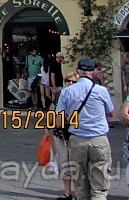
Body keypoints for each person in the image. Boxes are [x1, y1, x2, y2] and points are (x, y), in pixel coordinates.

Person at [56, 58, 113, 200]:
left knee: (81, 185)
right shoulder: (102, 91)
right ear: (93, 73)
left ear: (77, 71)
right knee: (99, 186)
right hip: (99, 139)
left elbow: (59, 121)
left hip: (77, 140)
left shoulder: (66, 92)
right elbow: (111, 112)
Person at [51, 72, 78, 200]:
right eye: (68, 81)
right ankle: (67, 192)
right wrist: (47, 127)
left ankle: (79, 192)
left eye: (74, 82)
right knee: (64, 163)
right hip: (59, 133)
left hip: (75, 134)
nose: (70, 84)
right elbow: (51, 111)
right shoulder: (58, 95)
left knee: (76, 163)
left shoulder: (80, 95)